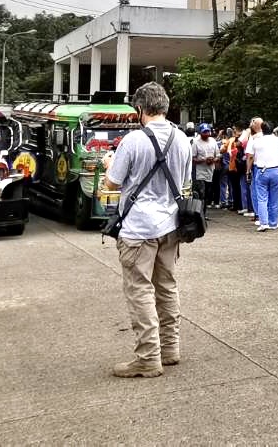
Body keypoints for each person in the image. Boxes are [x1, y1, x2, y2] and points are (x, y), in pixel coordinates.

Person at [102, 81, 191, 378]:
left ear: (141, 109)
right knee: (167, 286)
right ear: (164, 107)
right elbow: (184, 181)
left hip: (139, 228)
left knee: (140, 289)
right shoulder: (182, 139)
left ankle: (148, 358)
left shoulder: (133, 141)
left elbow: (112, 183)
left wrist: (108, 163)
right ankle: (170, 349)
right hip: (171, 224)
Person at [246, 118, 278, 231]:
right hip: (275, 170)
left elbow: (251, 156)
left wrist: (248, 171)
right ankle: (274, 222)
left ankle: (264, 222)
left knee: (262, 198)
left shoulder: (256, 141)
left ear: (261, 129)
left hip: (262, 169)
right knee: (275, 197)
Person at [190, 124, 218, 208]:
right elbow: (192, 158)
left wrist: (213, 160)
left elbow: (218, 155)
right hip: (200, 172)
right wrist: (203, 160)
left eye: (208, 132)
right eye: (204, 132)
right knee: (201, 192)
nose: (206, 134)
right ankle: (200, 212)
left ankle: (204, 212)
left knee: (207, 193)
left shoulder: (213, 141)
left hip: (210, 171)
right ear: (200, 133)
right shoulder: (196, 142)